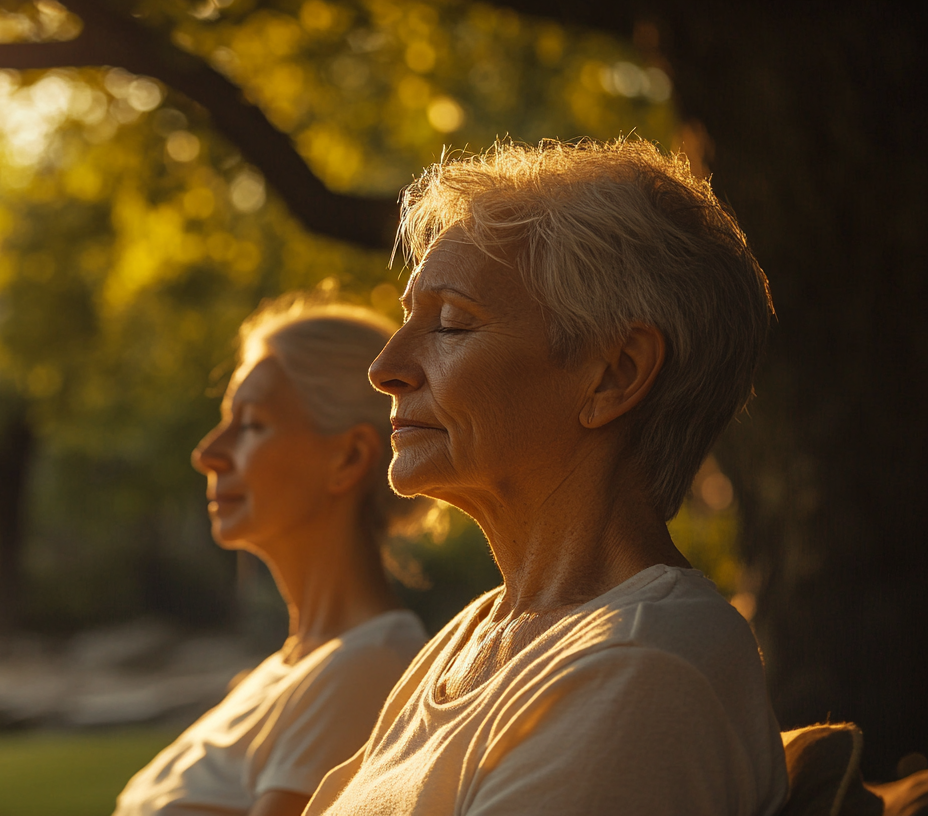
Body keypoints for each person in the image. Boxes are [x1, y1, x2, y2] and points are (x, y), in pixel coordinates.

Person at [302, 139, 789, 815]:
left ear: (614, 375)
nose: (385, 368)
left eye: (451, 325)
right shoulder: (472, 637)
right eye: (407, 318)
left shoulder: (639, 664)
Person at [114, 295, 432, 816]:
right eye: (226, 420)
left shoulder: (365, 666)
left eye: (251, 424)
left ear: (349, 457)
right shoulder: (288, 671)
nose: (208, 454)